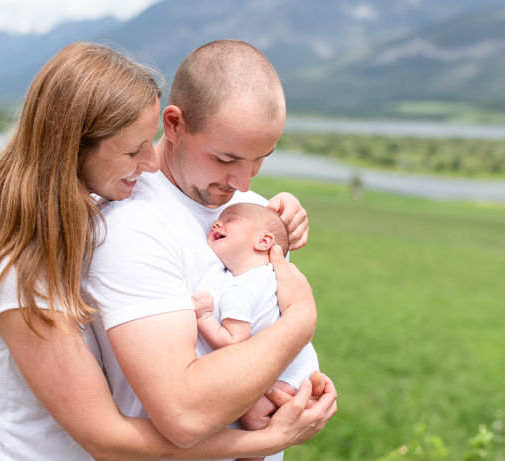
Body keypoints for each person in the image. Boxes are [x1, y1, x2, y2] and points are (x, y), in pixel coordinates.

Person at [0, 41, 334, 461]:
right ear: (72, 148)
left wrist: (272, 214)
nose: (150, 162)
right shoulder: (16, 257)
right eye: (134, 149)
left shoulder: (72, 221)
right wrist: (266, 436)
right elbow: (109, 437)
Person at [83, 39, 336, 461]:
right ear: (174, 124)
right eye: (224, 158)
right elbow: (183, 415)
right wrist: (301, 321)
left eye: (260, 159)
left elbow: (263, 339)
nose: (243, 181)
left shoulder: (255, 212)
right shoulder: (128, 223)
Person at [192, 202, 321, 461]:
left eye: (230, 220)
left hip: (284, 374)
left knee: (255, 417)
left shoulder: (238, 287)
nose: (217, 223)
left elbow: (233, 341)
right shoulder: (276, 275)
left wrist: (204, 317)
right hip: (303, 366)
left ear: (263, 241)